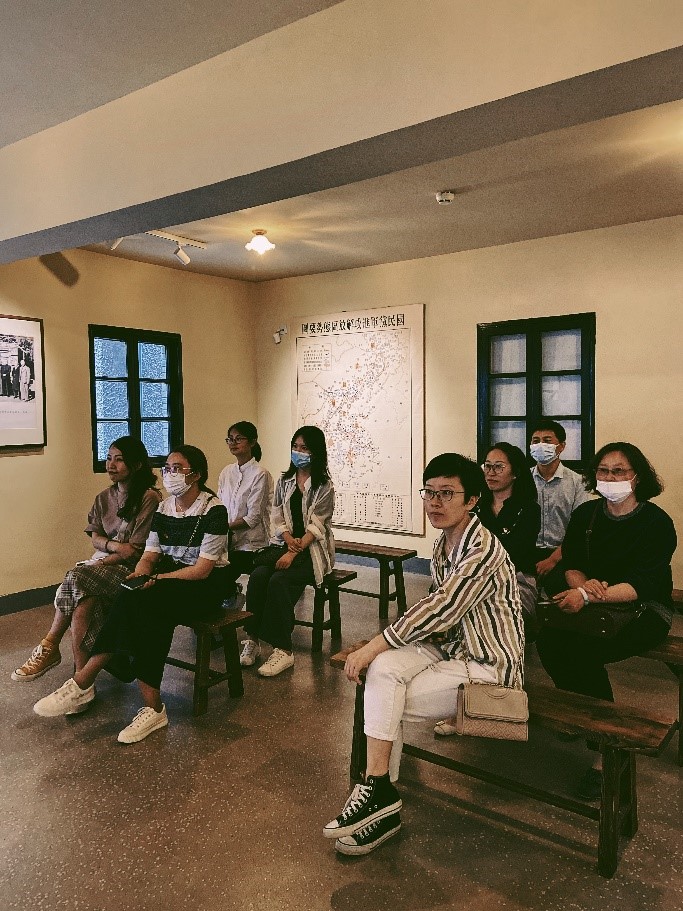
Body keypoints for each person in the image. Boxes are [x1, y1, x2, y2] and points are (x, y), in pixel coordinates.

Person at [322, 453, 524, 856]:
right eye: (429, 492)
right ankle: (380, 790)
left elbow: (442, 607)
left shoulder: (483, 548)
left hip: (489, 665)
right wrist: (383, 649)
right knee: (383, 671)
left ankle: (379, 798)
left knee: (384, 699)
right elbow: (437, 613)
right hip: (450, 648)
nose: (435, 502)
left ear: (472, 500)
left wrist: (376, 642)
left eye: (447, 493)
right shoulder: (444, 543)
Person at [32, 445, 230, 744]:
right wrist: (140, 574)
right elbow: (149, 555)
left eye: (177, 468)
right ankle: (152, 707)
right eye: (167, 467)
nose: (170, 473)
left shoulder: (214, 510)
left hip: (206, 586)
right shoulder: (165, 508)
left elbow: (202, 570)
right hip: (170, 578)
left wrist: (156, 578)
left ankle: (84, 681)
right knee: (137, 599)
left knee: (146, 603)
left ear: (196, 475)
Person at [536, 442, 677, 800]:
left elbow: (643, 584)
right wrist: (582, 586)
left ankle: (605, 751)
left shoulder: (656, 522)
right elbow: (572, 563)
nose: (610, 478)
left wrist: (587, 596)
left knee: (583, 652)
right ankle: (580, 711)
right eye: (603, 470)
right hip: (593, 602)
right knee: (549, 641)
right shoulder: (588, 514)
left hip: (644, 610)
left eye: (619, 471)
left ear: (637, 477)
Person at [12, 437, 160, 681]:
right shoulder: (104, 498)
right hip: (104, 565)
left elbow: (134, 552)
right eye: (109, 458)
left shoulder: (148, 497)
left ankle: (50, 645)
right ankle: (82, 680)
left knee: (76, 577)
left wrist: (102, 560)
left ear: (136, 464)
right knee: (84, 602)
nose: (111, 465)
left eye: (119, 460)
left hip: (133, 571)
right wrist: (113, 546)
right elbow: (96, 537)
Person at [240, 425, 334, 677]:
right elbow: (277, 515)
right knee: (259, 576)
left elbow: (318, 525)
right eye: (295, 447)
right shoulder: (285, 481)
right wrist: (288, 540)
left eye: (304, 448)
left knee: (278, 581)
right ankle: (252, 639)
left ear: (316, 452)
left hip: (311, 551)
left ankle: (283, 649)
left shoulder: (324, 486)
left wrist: (294, 551)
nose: (298, 452)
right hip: (285, 544)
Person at [477, 442, 541, 631]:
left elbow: (515, 554)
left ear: (516, 472)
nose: (491, 473)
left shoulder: (529, 509)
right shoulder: (476, 506)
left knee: (489, 613)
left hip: (515, 579)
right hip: (475, 575)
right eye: (487, 466)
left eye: (498, 467)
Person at [530, 420, 592, 596]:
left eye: (547, 440)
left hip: (563, 553)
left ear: (561, 446)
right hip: (527, 551)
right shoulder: (522, 480)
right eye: (536, 441)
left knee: (560, 589)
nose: (541, 445)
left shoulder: (578, 482)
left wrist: (552, 560)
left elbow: (579, 530)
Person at [217, 421, 273, 594]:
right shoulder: (227, 472)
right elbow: (219, 506)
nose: (233, 443)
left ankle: (232, 595)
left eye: (239, 439)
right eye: (230, 439)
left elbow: (253, 518)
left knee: (221, 574)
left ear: (252, 442)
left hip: (252, 544)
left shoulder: (260, 473)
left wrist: (224, 527)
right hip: (228, 541)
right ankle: (230, 595)